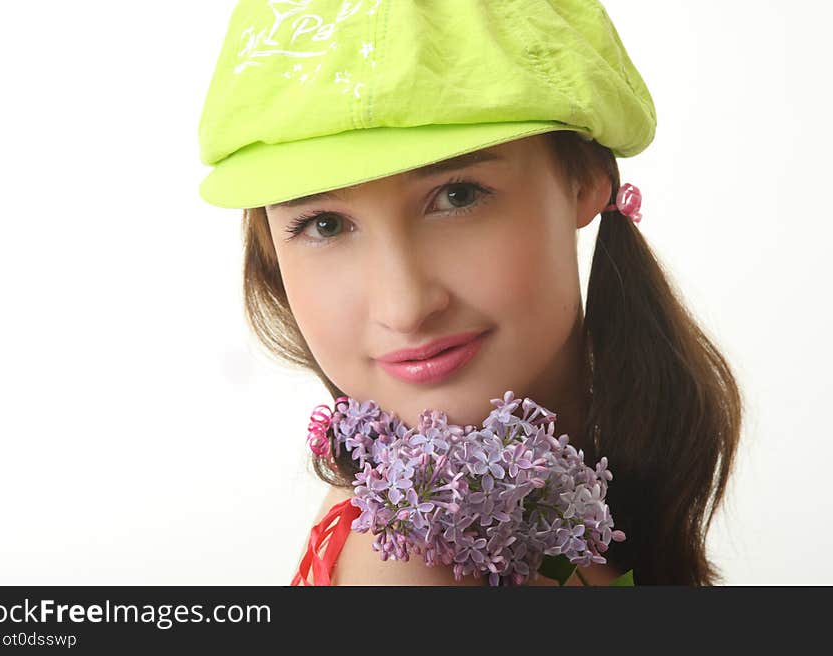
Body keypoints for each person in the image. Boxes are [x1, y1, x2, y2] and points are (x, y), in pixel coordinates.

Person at [197, 0, 743, 586]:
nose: (404, 307)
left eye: (457, 196)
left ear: (584, 177)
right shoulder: (411, 559)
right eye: (324, 224)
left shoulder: (532, 512)